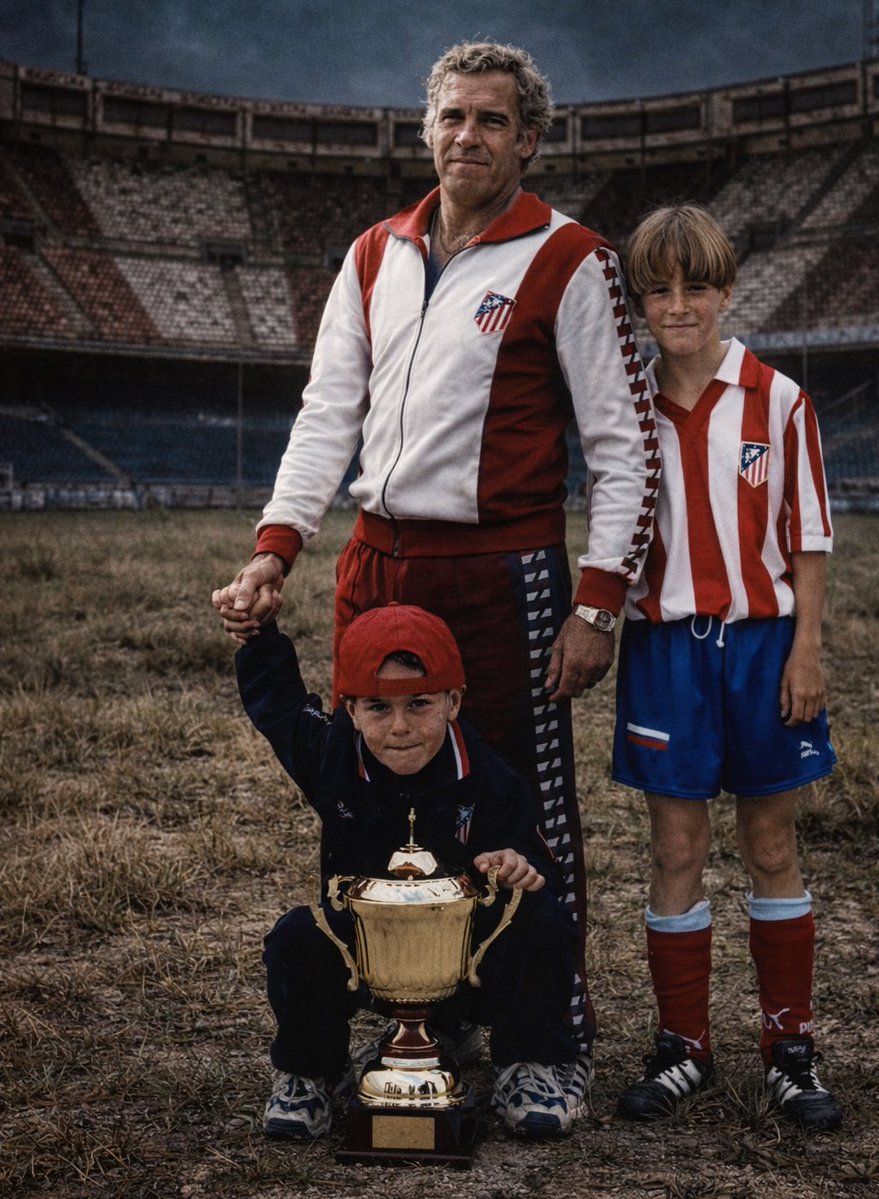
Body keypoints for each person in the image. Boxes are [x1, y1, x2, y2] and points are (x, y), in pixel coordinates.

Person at [213, 41, 660, 1087]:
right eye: (454, 116)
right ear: (427, 129)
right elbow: (329, 413)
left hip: (502, 569)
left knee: (520, 803)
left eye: (494, 120)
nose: (470, 135)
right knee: (382, 785)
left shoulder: (569, 256)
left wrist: (598, 603)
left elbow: (624, 442)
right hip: (377, 564)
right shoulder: (373, 250)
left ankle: (550, 1039)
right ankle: (431, 1007)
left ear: (530, 139)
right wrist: (277, 545)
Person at [612, 204, 841, 1131]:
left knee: (771, 844)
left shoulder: (777, 398)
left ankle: (789, 1046)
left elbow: (809, 539)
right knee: (675, 848)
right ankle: (684, 1047)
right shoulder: (624, 404)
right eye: (658, 289)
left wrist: (807, 648)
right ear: (639, 301)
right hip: (665, 650)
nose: (677, 304)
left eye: (694, 286)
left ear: (726, 291)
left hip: (760, 647)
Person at [228, 601, 584, 1140]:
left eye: (419, 704)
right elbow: (278, 704)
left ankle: (530, 1065)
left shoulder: (489, 775)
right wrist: (257, 633)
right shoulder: (331, 754)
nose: (399, 728)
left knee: (542, 922)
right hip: (368, 955)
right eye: (377, 707)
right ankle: (312, 1073)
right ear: (350, 710)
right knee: (296, 937)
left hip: (468, 958)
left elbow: (537, 867)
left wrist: (517, 866)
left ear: (453, 701)